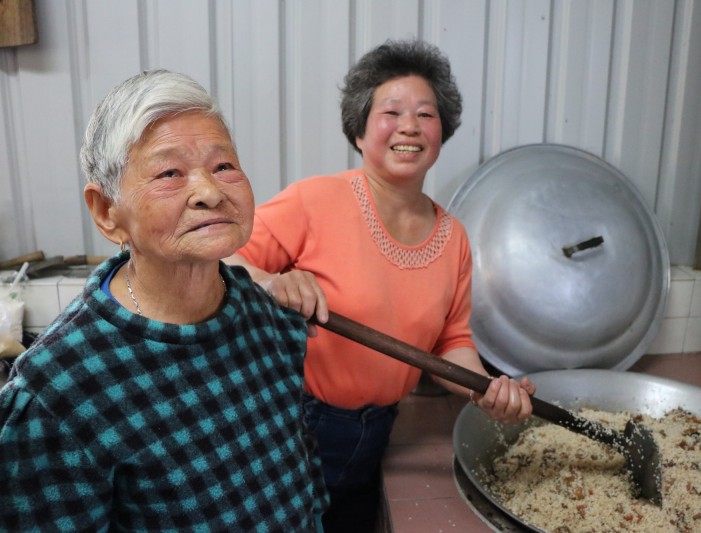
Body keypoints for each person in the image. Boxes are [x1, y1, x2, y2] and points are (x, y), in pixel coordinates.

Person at [226, 39, 536, 533]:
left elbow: (451, 342)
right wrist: (271, 281)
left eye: (425, 114)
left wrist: (486, 390)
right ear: (359, 130)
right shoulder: (315, 200)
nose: (409, 126)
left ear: (442, 131)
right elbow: (224, 258)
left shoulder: (453, 237)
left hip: (376, 432)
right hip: (292, 424)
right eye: (391, 111)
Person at [0, 70, 327, 532]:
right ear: (106, 213)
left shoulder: (268, 319)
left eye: (224, 166)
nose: (210, 192)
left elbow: (302, 472)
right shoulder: (59, 392)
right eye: (170, 173)